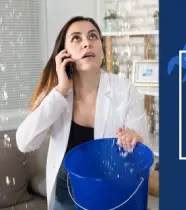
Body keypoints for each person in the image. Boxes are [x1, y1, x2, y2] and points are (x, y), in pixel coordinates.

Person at [15, 16, 148, 210]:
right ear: (64, 53)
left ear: (102, 50)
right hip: (65, 194)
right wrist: (60, 91)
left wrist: (135, 140)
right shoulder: (56, 91)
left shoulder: (125, 89)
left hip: (110, 191)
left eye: (93, 36)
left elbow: (143, 157)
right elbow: (24, 142)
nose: (87, 43)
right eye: (77, 38)